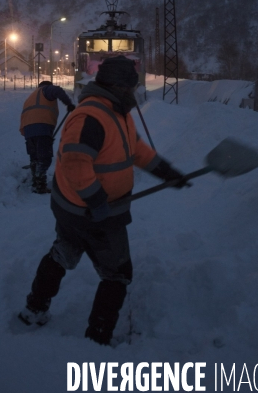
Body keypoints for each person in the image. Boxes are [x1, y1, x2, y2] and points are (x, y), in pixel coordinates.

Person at [18, 56, 188, 344]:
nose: (133, 92)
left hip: (81, 208)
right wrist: (97, 202)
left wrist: (165, 171)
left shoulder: (118, 113)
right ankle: (97, 338)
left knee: (63, 252)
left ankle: (34, 309)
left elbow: (135, 149)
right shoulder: (91, 117)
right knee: (117, 274)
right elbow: (74, 163)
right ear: (118, 86)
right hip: (92, 212)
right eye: (130, 87)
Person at [19, 80, 75, 194]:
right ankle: (40, 185)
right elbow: (57, 90)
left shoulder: (31, 96)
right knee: (44, 158)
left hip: (28, 130)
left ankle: (36, 180)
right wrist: (68, 103)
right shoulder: (46, 90)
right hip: (42, 127)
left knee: (35, 157)